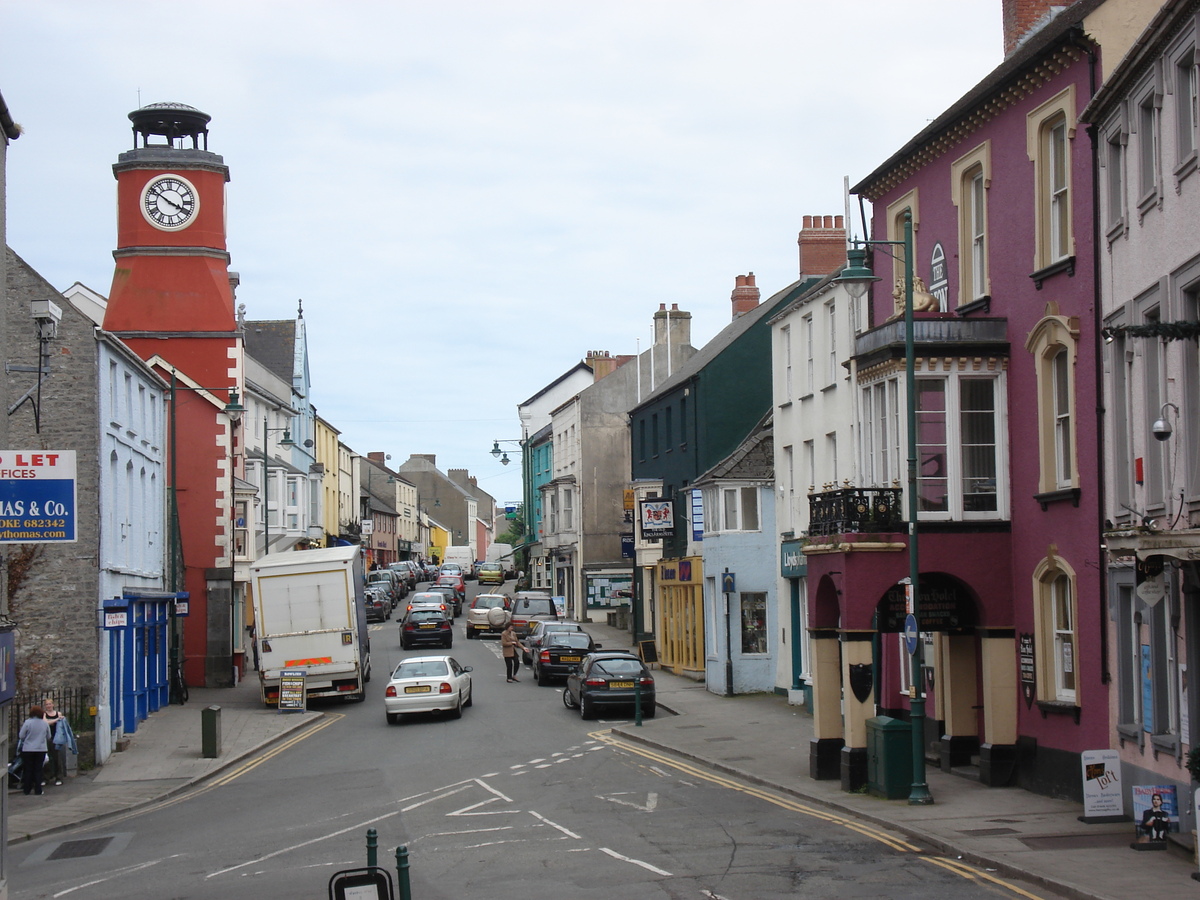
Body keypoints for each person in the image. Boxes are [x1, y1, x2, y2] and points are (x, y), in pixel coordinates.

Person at [17, 705, 51, 796]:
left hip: (28, 749)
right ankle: (38, 790)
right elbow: (49, 736)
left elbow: (21, 736)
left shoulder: (28, 723)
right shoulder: (45, 723)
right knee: (38, 769)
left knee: (28, 769)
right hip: (41, 749)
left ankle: (27, 789)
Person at [42, 698, 66, 786]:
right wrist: (56, 720)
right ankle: (46, 778)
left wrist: (55, 720)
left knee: (57, 758)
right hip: (47, 738)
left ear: (53, 705)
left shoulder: (58, 713)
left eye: (49, 704)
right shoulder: (44, 714)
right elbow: (45, 723)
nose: (48, 706)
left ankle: (59, 777)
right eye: (46, 704)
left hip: (56, 738)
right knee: (46, 759)